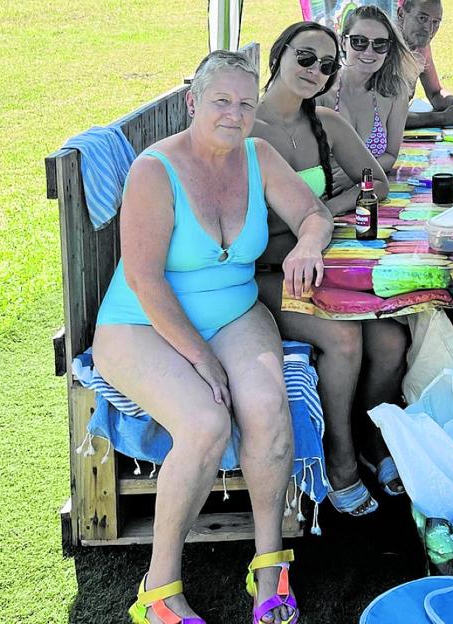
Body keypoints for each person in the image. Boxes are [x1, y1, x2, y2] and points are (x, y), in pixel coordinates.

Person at [92, 50, 329, 624]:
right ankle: (158, 589)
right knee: (204, 422)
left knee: (269, 404)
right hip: (141, 321)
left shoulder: (258, 155)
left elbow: (314, 214)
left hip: (233, 312)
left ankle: (269, 567)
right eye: (221, 100)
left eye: (246, 103)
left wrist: (306, 244)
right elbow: (146, 279)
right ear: (193, 101)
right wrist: (202, 360)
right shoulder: (155, 168)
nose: (235, 113)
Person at [257, 22, 411, 516]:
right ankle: (340, 459)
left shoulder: (324, 122)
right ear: (280, 54)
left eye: (326, 65)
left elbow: (378, 182)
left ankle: (369, 437)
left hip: (316, 264)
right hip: (260, 274)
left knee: (391, 340)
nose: (315, 72)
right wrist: (314, 215)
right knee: (344, 339)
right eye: (305, 58)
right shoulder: (246, 128)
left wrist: (321, 208)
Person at [319, 5, 422, 174]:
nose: (369, 51)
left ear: (388, 50)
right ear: (343, 43)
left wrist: (359, 174)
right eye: (359, 41)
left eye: (380, 44)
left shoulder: (395, 91)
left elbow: (390, 155)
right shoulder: (321, 90)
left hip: (371, 186)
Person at [397, 0, 453, 127]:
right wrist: (443, 117)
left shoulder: (421, 46)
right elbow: (385, 117)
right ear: (401, 14)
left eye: (436, 22)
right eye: (422, 18)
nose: (429, 29)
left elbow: (435, 93)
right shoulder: (382, 49)